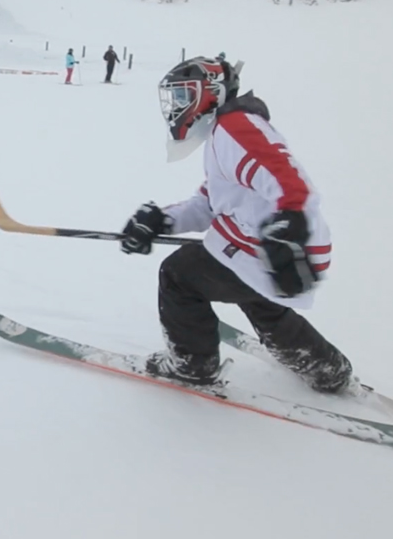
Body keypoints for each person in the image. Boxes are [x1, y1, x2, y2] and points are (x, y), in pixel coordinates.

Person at [118, 56, 352, 393]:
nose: (176, 107)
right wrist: (160, 221)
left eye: (184, 95)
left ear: (211, 92)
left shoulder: (234, 127)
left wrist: (288, 231)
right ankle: (327, 369)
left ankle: (192, 365)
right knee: (259, 299)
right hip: (275, 247)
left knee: (179, 275)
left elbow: (289, 180)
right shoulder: (226, 132)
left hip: (282, 247)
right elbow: (210, 203)